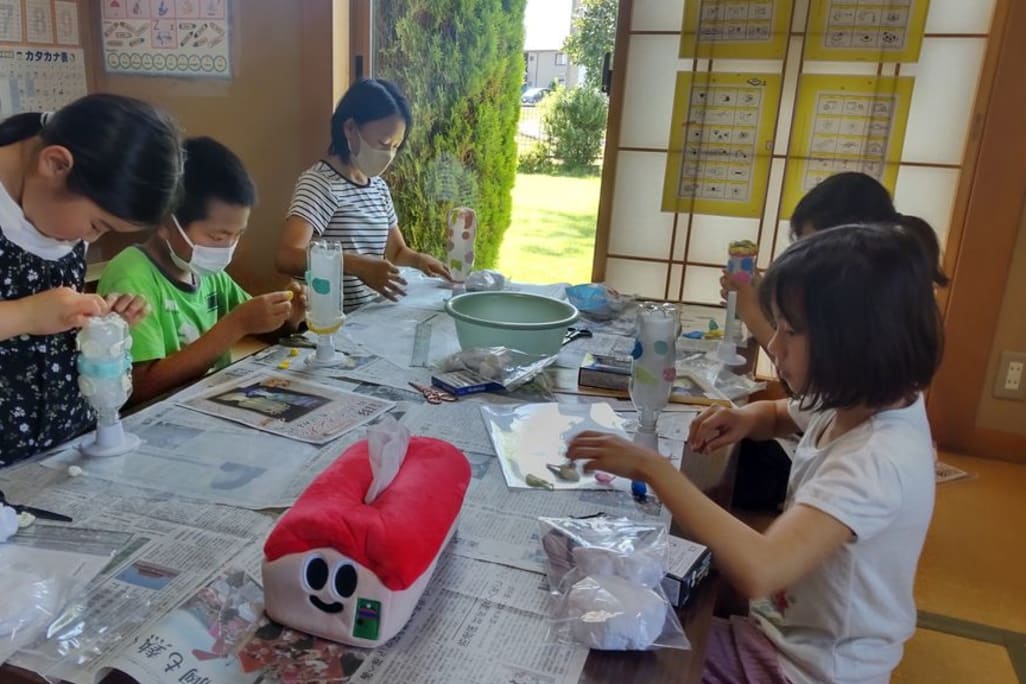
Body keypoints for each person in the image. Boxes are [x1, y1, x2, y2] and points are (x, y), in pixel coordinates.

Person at [569, 223, 944, 683]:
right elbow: (783, 413)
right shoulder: (855, 399)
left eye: (790, 331)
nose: (774, 344)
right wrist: (748, 418)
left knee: (622, 659)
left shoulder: (875, 460)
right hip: (784, 630)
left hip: (807, 669)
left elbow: (760, 569)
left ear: (855, 341)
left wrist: (655, 470)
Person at [723, 172, 948, 511]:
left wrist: (754, 314)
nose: (806, 256)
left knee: (737, 470)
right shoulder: (846, 395)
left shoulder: (869, 457)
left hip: (825, 471)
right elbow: (791, 406)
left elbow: (802, 373)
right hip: (814, 450)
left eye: (812, 245)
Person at [0, 94, 183, 466]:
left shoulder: (57, 201)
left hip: (62, 449)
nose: (91, 239)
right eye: (98, 225)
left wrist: (100, 321)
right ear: (55, 164)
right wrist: (26, 315)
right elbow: (33, 311)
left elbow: (52, 310)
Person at [98, 137, 304, 405]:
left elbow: (260, 327)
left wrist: (290, 317)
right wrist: (236, 325)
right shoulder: (131, 277)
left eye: (237, 235)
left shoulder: (209, 274)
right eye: (217, 237)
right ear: (165, 223)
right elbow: (141, 388)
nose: (228, 248)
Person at [275, 78, 451, 311]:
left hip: (366, 316)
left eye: (395, 146)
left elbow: (397, 252)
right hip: (327, 320)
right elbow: (287, 257)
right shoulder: (319, 183)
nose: (388, 154)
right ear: (350, 128)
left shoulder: (378, 188)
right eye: (383, 142)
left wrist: (419, 260)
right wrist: (356, 265)